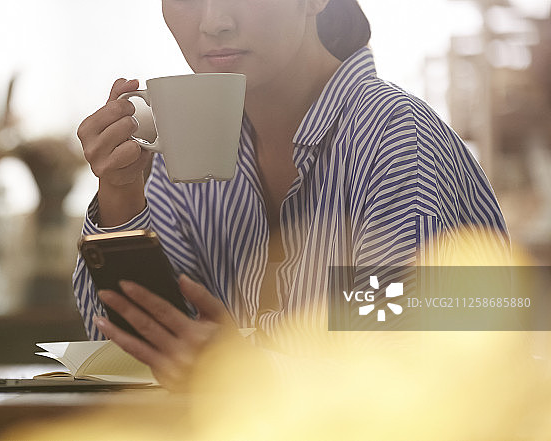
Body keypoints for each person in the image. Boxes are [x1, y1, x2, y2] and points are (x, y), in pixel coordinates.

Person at [72, 0, 509, 389]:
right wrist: (122, 193)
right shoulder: (187, 147)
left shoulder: (393, 136)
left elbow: (411, 374)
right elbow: (130, 349)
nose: (215, 21)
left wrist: (246, 370)